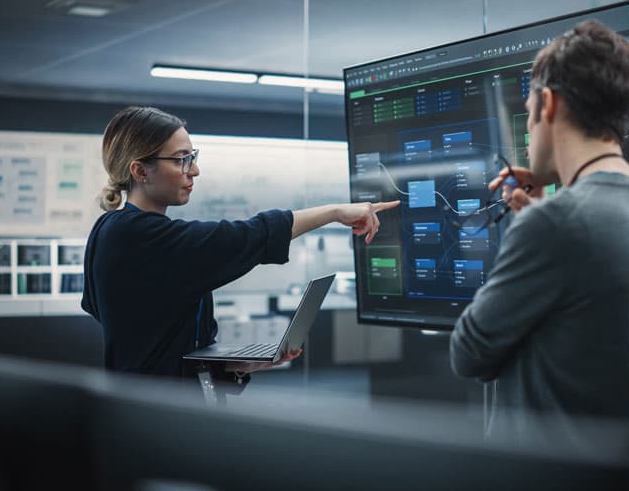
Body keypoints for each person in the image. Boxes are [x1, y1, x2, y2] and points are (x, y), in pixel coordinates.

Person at [449, 20, 629, 491]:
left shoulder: (556, 226)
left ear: (548, 104)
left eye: (527, 114)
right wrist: (544, 214)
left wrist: (532, 227)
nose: (528, 131)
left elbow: (468, 353)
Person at [82, 106, 398, 380]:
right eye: (181, 160)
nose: (194, 170)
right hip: (153, 412)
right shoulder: (134, 234)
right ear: (140, 171)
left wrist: (238, 365)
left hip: (167, 405)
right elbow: (247, 236)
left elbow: (155, 337)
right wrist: (334, 212)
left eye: (193, 157)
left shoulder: (113, 230)